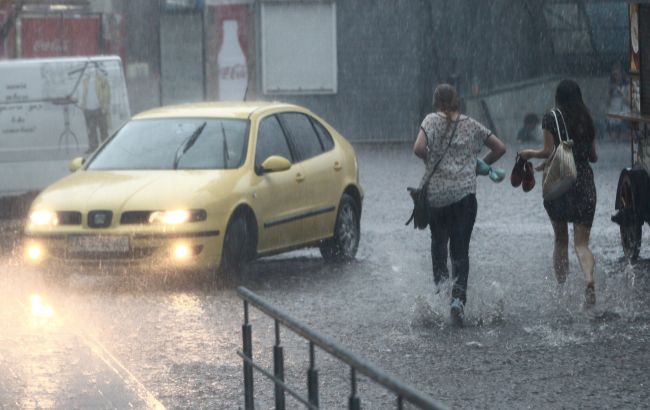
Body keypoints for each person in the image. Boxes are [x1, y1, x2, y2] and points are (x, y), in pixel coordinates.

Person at [413, 83, 506, 326]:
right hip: (464, 196)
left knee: (438, 246)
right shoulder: (470, 124)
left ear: (436, 102)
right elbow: (500, 147)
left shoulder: (431, 121)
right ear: (457, 101)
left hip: (438, 198)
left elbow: (418, 148)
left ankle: (441, 295)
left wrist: (433, 162)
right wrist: (476, 167)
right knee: (460, 249)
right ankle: (458, 301)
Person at [519, 79, 598, 307]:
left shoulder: (550, 117)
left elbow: (548, 151)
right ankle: (589, 279)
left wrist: (528, 153)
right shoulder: (587, 118)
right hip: (584, 182)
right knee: (582, 243)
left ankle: (561, 290)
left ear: (558, 97)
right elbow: (593, 157)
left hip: (561, 183)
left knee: (561, 240)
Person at [80, 63, 111, 153]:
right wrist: (83, 107)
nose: (91, 69)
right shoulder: (85, 80)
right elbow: (83, 94)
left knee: (103, 130)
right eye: (89, 67)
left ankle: (105, 147)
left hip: (99, 108)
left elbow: (106, 93)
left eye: (92, 67)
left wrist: (105, 107)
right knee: (91, 130)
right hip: (88, 109)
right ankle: (93, 148)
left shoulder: (102, 80)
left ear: (96, 68)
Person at [606, 62, 630, 139]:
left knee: (624, 136)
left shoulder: (626, 85)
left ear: (621, 74)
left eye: (617, 74)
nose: (616, 76)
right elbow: (608, 102)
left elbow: (630, 102)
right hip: (613, 113)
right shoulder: (611, 86)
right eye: (614, 74)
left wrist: (622, 94)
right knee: (613, 136)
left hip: (624, 112)